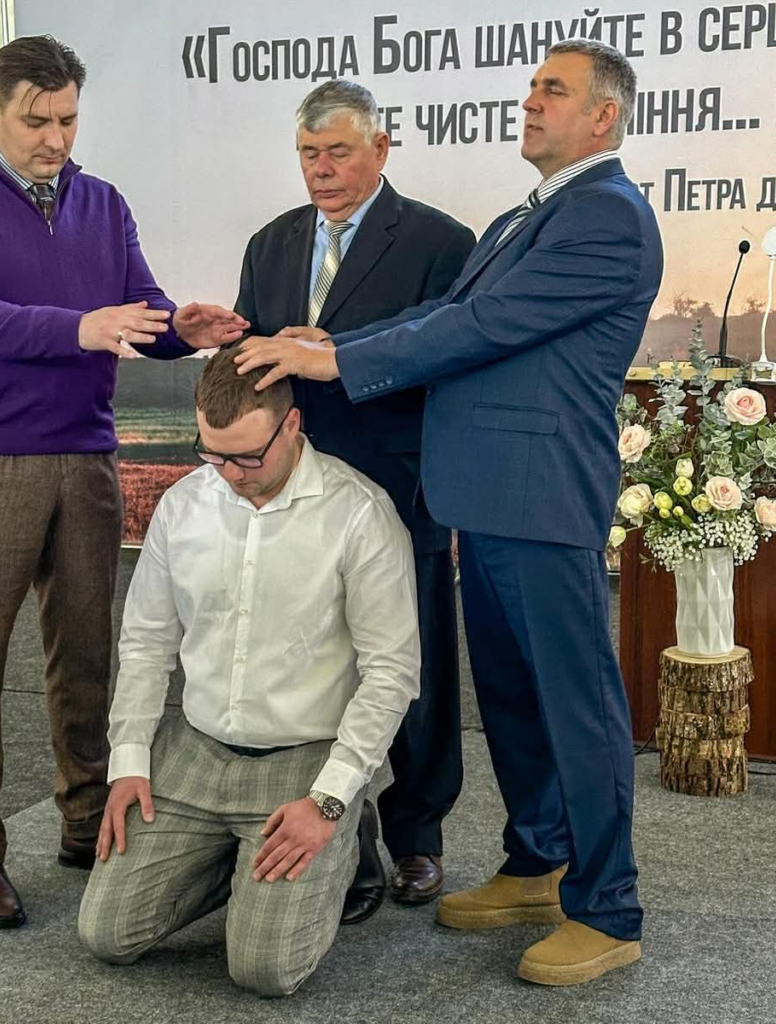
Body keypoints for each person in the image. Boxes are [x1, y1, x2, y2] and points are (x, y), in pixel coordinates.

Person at [235, 39, 663, 985]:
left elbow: (475, 330)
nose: (530, 101)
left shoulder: (606, 218)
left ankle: (608, 904)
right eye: (530, 88)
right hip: (491, 496)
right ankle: (540, 860)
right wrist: (332, 340)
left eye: (552, 90)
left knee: (576, 707)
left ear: (603, 116)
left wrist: (334, 359)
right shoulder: (528, 216)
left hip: (545, 497)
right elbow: (443, 327)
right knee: (512, 701)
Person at [0, 35, 246, 929]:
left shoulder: (103, 201)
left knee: (86, 659)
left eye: (68, 119)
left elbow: (139, 310)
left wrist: (182, 326)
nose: (55, 137)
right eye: (36, 120)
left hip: (87, 456)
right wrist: (79, 327)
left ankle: (85, 822)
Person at [77, 345, 420, 996]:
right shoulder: (184, 507)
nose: (229, 473)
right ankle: (238, 863)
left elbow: (391, 671)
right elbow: (148, 640)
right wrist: (128, 762)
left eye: (247, 456)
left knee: (264, 970)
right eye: (213, 454)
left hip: (305, 759)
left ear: (291, 427)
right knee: (106, 933)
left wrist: (328, 799)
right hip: (197, 752)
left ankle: (349, 831)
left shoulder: (359, 514)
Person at [235, 80, 475, 923]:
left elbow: (444, 354)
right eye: (309, 154)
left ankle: (419, 835)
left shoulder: (442, 243)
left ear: (381, 149)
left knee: (409, 666)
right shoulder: (271, 244)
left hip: (395, 484)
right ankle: (347, 831)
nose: (322, 169)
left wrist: (331, 351)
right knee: (309, 661)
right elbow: (252, 355)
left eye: (339, 152)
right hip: (293, 487)